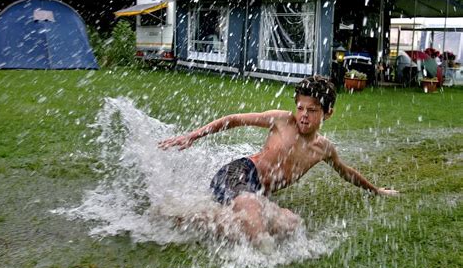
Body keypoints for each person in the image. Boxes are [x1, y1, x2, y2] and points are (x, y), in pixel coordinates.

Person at [158, 76, 398, 244]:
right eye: (300, 108)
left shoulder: (323, 149)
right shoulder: (283, 120)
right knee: (255, 222)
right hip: (239, 174)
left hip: (258, 193)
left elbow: (346, 172)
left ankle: (201, 217)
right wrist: (193, 136)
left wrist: (377, 190)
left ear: (328, 113)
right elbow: (234, 119)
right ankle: (182, 215)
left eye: (312, 110)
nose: (303, 116)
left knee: (291, 224)